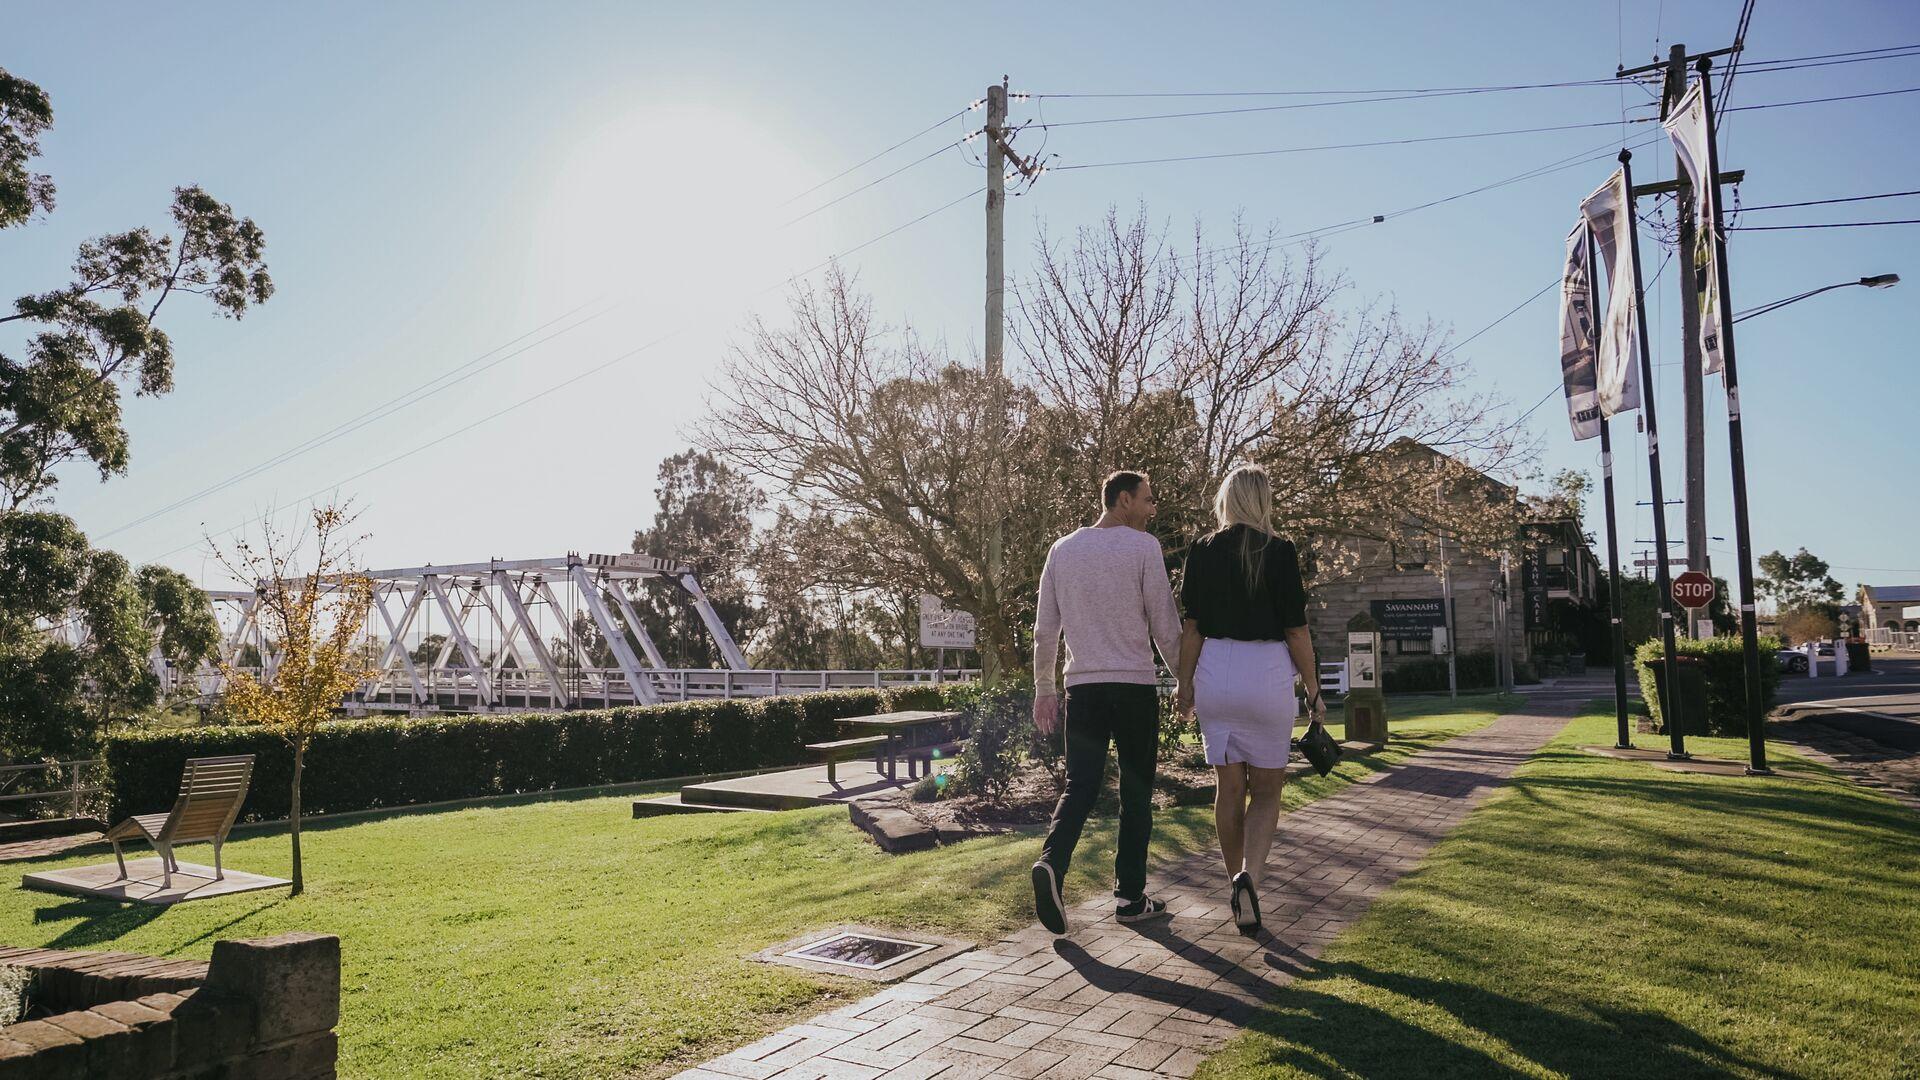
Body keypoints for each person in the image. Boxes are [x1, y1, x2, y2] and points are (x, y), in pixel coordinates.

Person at [1174, 464, 1324, 938]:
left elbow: (1192, 628)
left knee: (1229, 789)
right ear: (1263, 501)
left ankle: (1233, 880)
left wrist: (1184, 685)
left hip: (1216, 671)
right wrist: (1314, 690)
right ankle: (1250, 879)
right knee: (1268, 791)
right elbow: (1296, 630)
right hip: (1266, 674)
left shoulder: (1201, 550)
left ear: (1227, 500)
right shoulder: (1279, 551)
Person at [1030, 470, 1182, 935]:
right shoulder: (1143, 547)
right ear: (1122, 500)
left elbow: (1044, 631)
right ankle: (1131, 899)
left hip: (1084, 690)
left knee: (1080, 785)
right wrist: (1187, 683)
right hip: (1134, 689)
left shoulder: (1061, 550)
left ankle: (1052, 865)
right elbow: (1165, 624)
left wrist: (1044, 689)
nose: (1153, 509)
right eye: (1148, 500)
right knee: (1136, 792)